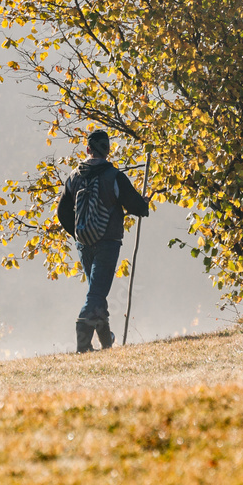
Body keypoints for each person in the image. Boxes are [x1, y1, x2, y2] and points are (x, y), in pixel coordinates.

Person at [57, 130, 150, 353]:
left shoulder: (73, 177)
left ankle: (106, 341)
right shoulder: (114, 176)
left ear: (87, 150)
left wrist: (79, 235)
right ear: (107, 150)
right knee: (96, 293)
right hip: (108, 242)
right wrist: (143, 203)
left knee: (96, 291)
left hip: (84, 244)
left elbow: (62, 213)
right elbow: (137, 207)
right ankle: (83, 342)